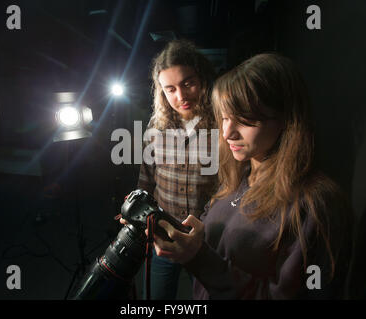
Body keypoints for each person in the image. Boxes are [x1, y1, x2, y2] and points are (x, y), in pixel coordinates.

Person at [150, 53, 353, 299]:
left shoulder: (316, 206)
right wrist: (180, 232)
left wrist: (200, 258)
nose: (227, 134)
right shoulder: (240, 175)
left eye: (244, 121)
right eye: (224, 118)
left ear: (286, 119)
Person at [129, 39, 219, 300]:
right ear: (161, 92)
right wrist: (135, 208)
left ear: (202, 77)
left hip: (206, 241)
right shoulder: (156, 127)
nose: (181, 96)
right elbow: (146, 178)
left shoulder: (223, 124)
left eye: (188, 83)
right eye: (170, 89)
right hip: (162, 236)